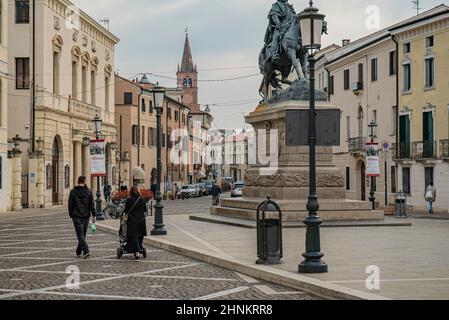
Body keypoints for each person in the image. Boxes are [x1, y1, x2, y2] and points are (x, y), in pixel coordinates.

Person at [68, 176, 96, 259]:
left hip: (76, 216)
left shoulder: (73, 192)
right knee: (82, 234)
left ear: (78, 181)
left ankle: (86, 251)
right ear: (84, 182)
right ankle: (79, 251)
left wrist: (71, 214)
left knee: (80, 234)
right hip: (86, 216)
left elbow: (70, 205)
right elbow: (91, 204)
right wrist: (94, 215)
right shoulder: (89, 191)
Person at [124, 186, 148, 259]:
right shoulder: (142, 199)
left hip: (132, 220)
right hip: (141, 220)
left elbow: (126, 210)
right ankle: (139, 247)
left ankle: (137, 252)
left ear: (131, 191)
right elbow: (145, 209)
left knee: (133, 236)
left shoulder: (129, 200)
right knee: (140, 235)